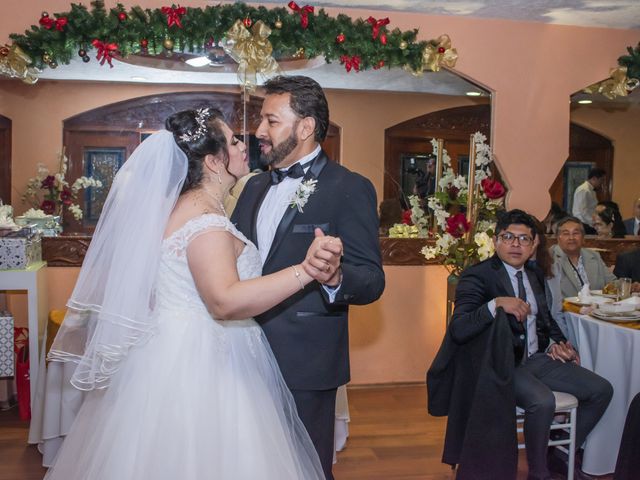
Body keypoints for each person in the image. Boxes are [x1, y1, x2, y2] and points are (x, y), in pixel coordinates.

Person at [44, 108, 347, 479]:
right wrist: (306, 271)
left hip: (168, 348)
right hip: (206, 360)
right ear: (214, 160)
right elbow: (224, 301)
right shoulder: (206, 222)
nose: (243, 145)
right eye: (235, 141)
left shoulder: (177, 210)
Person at [232, 75, 385, 479]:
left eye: (271, 121)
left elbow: (371, 280)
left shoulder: (349, 187)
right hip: (240, 350)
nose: (259, 132)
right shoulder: (252, 188)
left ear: (305, 127)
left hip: (306, 360)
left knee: (304, 467)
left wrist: (335, 276)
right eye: (261, 121)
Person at [428, 209, 613, 480]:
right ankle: (539, 473)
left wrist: (559, 343)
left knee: (601, 390)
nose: (516, 244)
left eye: (524, 239)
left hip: (537, 359)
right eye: (508, 237)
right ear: (495, 241)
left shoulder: (535, 273)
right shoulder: (477, 276)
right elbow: (459, 328)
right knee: (542, 401)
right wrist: (495, 304)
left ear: (534, 244)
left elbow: (546, 319)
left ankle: (560, 455)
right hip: (501, 365)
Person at [550, 216, 616, 298]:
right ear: (558, 238)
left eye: (576, 233)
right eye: (566, 234)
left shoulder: (594, 256)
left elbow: (612, 283)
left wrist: (628, 286)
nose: (571, 238)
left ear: (583, 237)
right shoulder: (550, 257)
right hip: (567, 309)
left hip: (597, 307)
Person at [572, 168, 606, 234]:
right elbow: (583, 211)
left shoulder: (591, 190)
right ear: (594, 178)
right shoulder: (584, 190)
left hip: (588, 223)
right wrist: (594, 223)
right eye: (601, 180)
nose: (602, 183)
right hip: (584, 224)